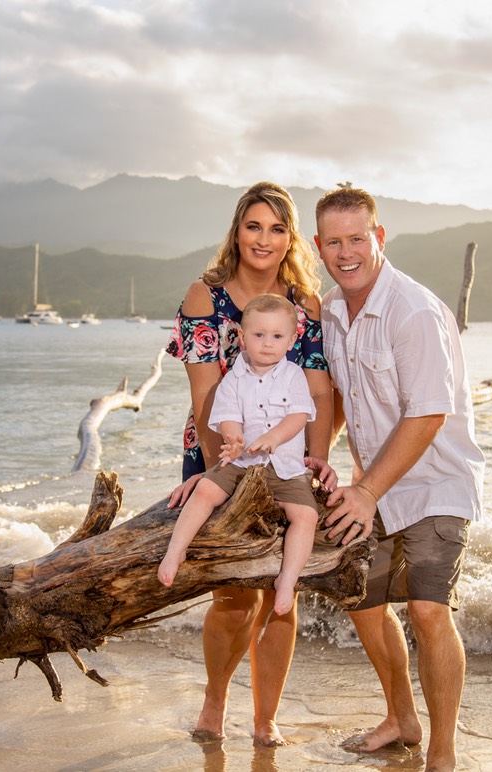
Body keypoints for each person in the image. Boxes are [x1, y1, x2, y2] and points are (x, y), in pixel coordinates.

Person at [310, 186, 485, 772]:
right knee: (360, 600)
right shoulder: (331, 311)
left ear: (379, 238)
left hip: (436, 482)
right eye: (334, 242)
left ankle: (442, 753)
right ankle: (401, 718)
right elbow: (341, 397)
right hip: (376, 485)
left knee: (429, 611)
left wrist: (365, 491)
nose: (346, 252)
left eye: (357, 238)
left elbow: (427, 414)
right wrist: (320, 459)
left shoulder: (413, 310)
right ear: (318, 246)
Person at [164, 181, 333, 747]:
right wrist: (221, 473)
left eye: (277, 228)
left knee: (281, 597)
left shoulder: (305, 305)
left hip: (286, 460)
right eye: (253, 226)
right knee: (234, 597)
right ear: (236, 232)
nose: (264, 239)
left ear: (291, 239)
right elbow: (206, 394)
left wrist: (315, 461)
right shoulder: (204, 297)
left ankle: (265, 719)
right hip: (221, 452)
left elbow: (319, 391)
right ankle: (215, 700)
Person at [158, 293, 320, 615]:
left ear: (291, 341)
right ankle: (175, 550)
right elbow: (228, 416)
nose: (268, 343)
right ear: (243, 337)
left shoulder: (294, 376)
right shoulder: (233, 378)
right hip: (242, 462)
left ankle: (288, 578)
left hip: (284, 467)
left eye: (277, 336)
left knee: (306, 515)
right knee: (206, 489)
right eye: (259, 335)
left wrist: (274, 437)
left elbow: (298, 416)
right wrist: (233, 440)